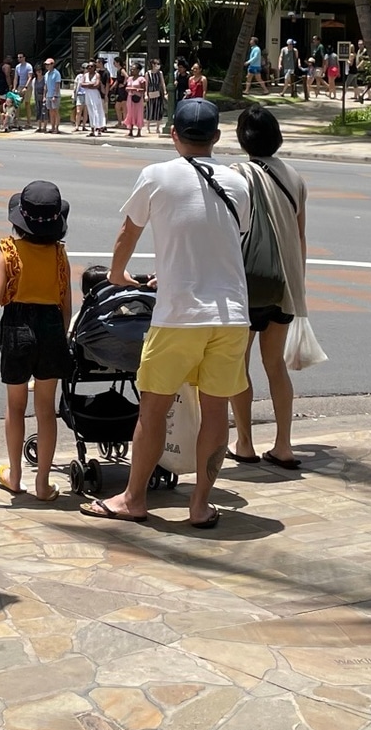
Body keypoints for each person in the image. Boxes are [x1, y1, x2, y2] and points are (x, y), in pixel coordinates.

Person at [82, 99, 250, 529]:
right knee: (216, 411)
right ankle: (200, 505)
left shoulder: (155, 175)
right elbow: (224, 236)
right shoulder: (238, 183)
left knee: (153, 409)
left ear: (172, 133)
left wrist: (118, 275)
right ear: (216, 137)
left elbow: (128, 232)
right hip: (232, 313)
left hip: (178, 315)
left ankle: (134, 498)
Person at [0, 180, 72, 501]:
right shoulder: (59, 254)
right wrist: (59, 337)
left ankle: (15, 475)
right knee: (45, 408)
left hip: (16, 326)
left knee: (15, 406)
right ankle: (42, 483)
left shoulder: (8, 250)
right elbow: (66, 305)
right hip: (51, 326)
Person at [226, 105, 308, 469]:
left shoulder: (235, 175)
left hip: (245, 284)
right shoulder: (294, 177)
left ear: (243, 140)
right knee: (275, 365)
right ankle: (284, 445)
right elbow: (300, 236)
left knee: (237, 365)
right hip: (285, 285)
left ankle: (244, 442)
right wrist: (298, 287)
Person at [78, 60, 106, 136]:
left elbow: (96, 85)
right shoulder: (85, 75)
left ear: (94, 67)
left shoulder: (97, 75)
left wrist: (87, 85)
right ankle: (92, 128)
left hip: (95, 94)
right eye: (88, 67)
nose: (90, 68)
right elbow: (82, 84)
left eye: (92, 66)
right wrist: (90, 84)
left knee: (97, 110)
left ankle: (99, 128)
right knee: (90, 111)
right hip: (88, 95)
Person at [123, 62, 147, 137]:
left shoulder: (141, 79)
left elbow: (143, 89)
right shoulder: (130, 78)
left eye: (134, 69)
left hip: (138, 98)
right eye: (131, 69)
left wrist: (135, 89)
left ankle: (139, 131)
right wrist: (129, 89)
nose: (132, 71)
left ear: (138, 70)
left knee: (138, 114)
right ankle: (130, 130)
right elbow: (126, 87)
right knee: (130, 113)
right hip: (130, 97)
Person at [0, 59, 16, 132]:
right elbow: (7, 76)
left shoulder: (0, 66)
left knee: (3, 102)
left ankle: (2, 121)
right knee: (6, 102)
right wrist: (10, 85)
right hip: (3, 87)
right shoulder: (7, 66)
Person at [41, 58, 63, 134]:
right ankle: (52, 127)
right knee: (50, 112)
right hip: (48, 95)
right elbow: (45, 86)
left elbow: (57, 85)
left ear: (52, 64)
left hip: (55, 96)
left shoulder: (56, 73)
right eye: (46, 64)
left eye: (48, 64)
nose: (47, 66)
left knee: (55, 111)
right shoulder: (46, 74)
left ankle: (57, 128)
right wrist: (44, 96)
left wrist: (55, 95)